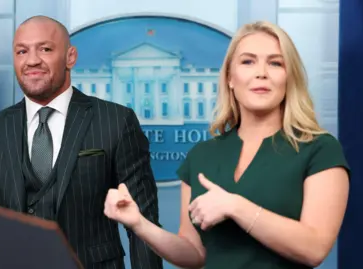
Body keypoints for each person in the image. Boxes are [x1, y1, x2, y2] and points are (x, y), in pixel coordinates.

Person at [104, 21, 350, 269]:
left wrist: (235, 206)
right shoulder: (202, 155)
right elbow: (193, 253)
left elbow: (314, 248)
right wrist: (139, 224)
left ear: (289, 77)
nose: (261, 72)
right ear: (230, 78)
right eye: (248, 61)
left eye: (276, 63)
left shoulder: (320, 149)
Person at [0, 15, 163, 269]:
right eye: (22, 51)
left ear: (70, 57)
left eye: (45, 49)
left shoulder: (116, 121)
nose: (32, 60)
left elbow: (144, 225)